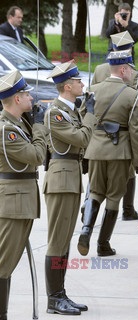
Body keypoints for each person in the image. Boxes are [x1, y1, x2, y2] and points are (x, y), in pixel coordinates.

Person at [77, 50, 138, 257]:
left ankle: (86, 231)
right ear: (123, 70)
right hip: (119, 152)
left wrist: (85, 150)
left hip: (95, 150)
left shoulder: (92, 90)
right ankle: (103, 244)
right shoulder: (132, 96)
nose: (132, 73)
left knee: (95, 192)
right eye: (130, 69)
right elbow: (137, 132)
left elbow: (82, 118)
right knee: (114, 196)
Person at [43, 62, 97, 315]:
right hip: (61, 179)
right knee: (57, 241)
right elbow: (82, 139)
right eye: (77, 81)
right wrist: (91, 114)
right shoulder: (56, 113)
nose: (82, 84)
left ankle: (60, 294)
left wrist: (84, 113)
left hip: (71, 177)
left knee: (64, 240)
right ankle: (54, 298)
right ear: (67, 86)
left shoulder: (69, 110)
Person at [0, 71, 48, 319]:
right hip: (13, 203)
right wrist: (39, 125)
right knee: (3, 265)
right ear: (17, 99)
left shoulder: (17, 124)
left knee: (6, 264)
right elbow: (36, 156)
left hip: (20, 201)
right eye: (27, 94)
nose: (31, 97)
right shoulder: (7, 130)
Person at [87, 30, 138, 221]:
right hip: (121, 137)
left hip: (97, 136)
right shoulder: (133, 73)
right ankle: (128, 208)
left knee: (95, 184)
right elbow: (135, 111)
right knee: (121, 182)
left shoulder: (99, 70)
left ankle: (88, 212)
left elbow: (90, 103)